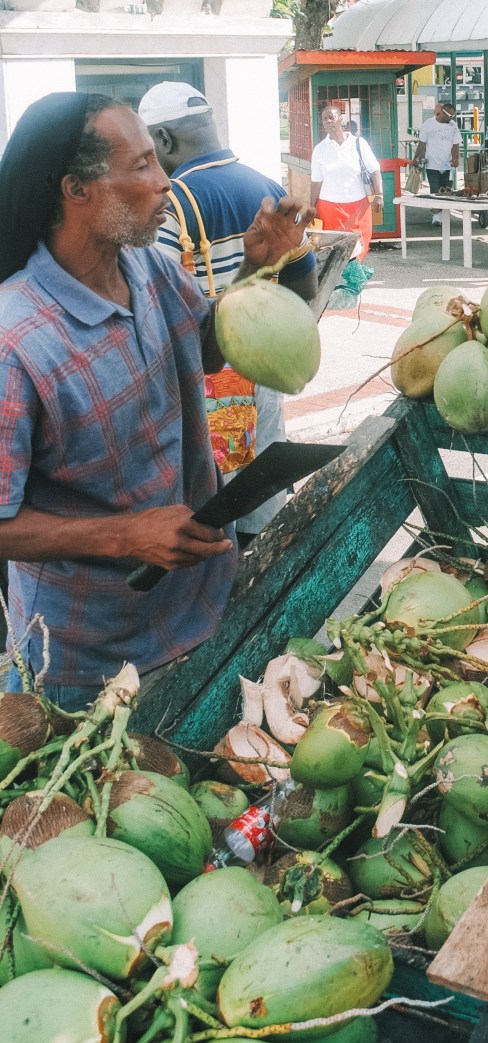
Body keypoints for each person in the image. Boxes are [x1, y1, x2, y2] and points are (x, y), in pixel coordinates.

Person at [0, 93, 309, 706]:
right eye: (141, 166)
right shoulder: (15, 343)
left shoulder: (149, 268)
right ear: (76, 189)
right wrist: (124, 536)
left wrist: (255, 271)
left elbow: (205, 354)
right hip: (89, 664)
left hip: (202, 607)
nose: (165, 183)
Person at [138, 81, 317, 533]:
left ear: (163, 140)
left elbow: (161, 315)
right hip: (263, 370)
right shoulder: (268, 187)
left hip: (206, 380)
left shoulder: (171, 203)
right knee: (262, 501)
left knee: (212, 520)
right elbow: (306, 286)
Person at [309, 103, 383, 256]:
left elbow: (375, 170)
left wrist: (379, 195)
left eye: (331, 117)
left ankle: (353, 280)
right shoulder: (320, 149)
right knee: (333, 250)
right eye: (324, 119)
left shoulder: (358, 143)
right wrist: (312, 207)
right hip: (329, 208)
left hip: (358, 207)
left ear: (340, 119)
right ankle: (338, 279)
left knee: (359, 248)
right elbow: (316, 181)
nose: (328, 122)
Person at [414, 101, 461, 225]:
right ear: (443, 114)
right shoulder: (428, 124)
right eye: (450, 116)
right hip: (432, 164)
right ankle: (436, 216)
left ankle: (443, 215)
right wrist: (416, 158)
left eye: (453, 116)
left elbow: (456, 144)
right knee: (435, 190)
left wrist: (456, 158)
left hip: (448, 165)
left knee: (446, 191)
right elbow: (422, 143)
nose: (451, 118)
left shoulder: (453, 125)